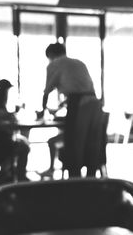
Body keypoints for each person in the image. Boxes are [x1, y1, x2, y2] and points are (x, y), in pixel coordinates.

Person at [40, 42, 101, 177]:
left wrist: (42, 110)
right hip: (95, 104)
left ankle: (75, 180)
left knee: (75, 144)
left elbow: (47, 91)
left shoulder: (54, 64)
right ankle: (92, 178)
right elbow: (81, 89)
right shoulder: (79, 63)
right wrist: (61, 107)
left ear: (50, 55)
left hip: (80, 105)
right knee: (92, 144)